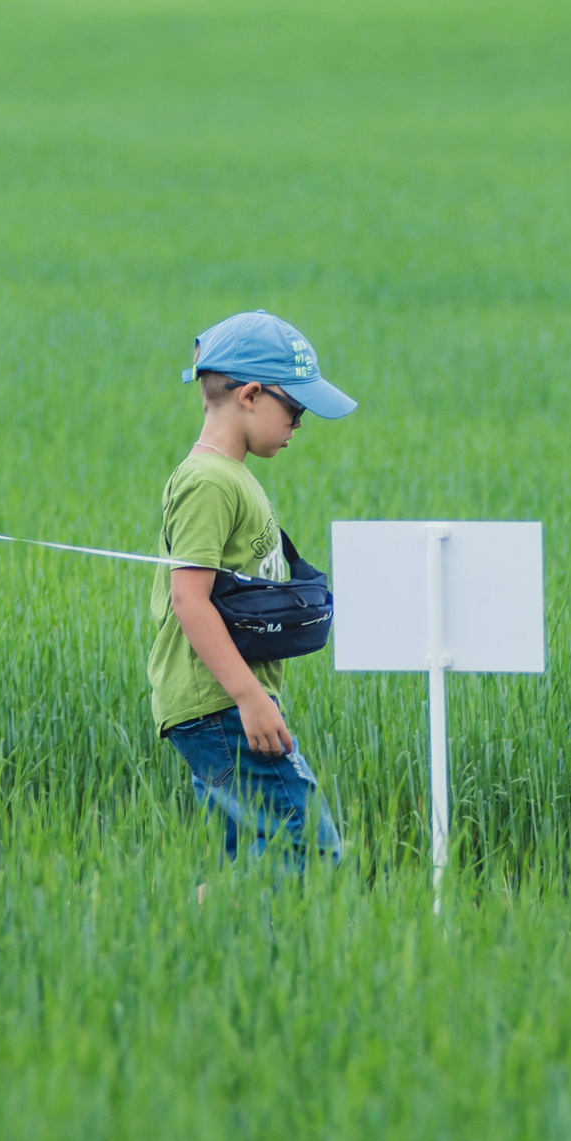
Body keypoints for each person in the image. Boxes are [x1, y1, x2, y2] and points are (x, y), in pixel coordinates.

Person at [150, 309, 358, 871]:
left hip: (220, 701)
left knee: (245, 861)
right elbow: (188, 598)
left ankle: (187, 952)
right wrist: (250, 697)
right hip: (220, 703)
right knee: (313, 851)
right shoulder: (209, 482)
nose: (298, 424)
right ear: (249, 394)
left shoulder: (230, 476)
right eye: (294, 409)